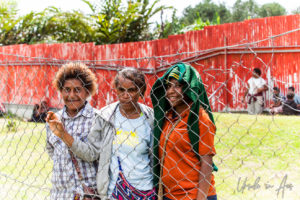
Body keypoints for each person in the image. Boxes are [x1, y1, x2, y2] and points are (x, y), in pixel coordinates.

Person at [47, 67, 156, 200]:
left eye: (132, 90)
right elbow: (53, 151)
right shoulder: (106, 117)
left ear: (141, 91)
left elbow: (155, 157)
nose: (125, 95)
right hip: (110, 191)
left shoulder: (150, 118)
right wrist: (63, 135)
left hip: (143, 190)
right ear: (115, 90)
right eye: (121, 90)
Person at [151, 63, 217, 200]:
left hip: (194, 195)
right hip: (169, 195)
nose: (170, 91)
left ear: (189, 88)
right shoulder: (167, 118)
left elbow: (207, 163)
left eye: (178, 85)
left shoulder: (200, 119)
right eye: (168, 86)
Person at [45, 62, 99, 199]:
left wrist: (64, 135)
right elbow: (52, 151)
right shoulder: (53, 119)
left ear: (87, 91)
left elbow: (92, 154)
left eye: (77, 90)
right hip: (60, 193)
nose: (71, 95)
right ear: (60, 91)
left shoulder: (96, 119)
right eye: (67, 89)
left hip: (87, 193)